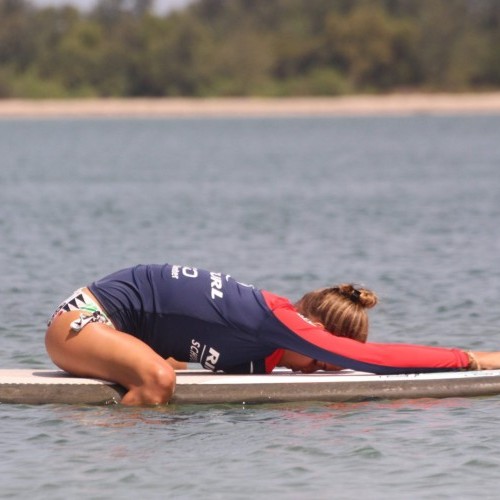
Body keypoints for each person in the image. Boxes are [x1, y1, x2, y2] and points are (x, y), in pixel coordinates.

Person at [45, 263, 496, 406]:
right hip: (83, 319)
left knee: (171, 366)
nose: (317, 370)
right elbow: (378, 360)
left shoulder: (268, 336)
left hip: (124, 330)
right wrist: (473, 360)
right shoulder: (278, 320)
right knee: (160, 381)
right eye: (320, 361)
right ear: (313, 331)